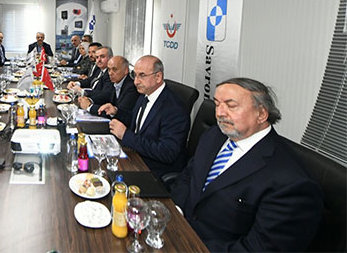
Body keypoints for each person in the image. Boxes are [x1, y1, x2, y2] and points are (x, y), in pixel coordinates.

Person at [171, 78, 323, 252]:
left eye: (231, 106)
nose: (219, 113)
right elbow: (189, 175)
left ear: (261, 114)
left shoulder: (291, 182)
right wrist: (175, 213)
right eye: (217, 104)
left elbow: (260, 249)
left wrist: (188, 247)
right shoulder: (214, 135)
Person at [109, 55, 189, 178]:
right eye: (134, 75)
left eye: (142, 75)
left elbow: (167, 152)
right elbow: (136, 121)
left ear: (158, 77)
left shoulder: (175, 109)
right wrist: (116, 112)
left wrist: (126, 135)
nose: (136, 82)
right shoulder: (145, 94)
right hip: (135, 155)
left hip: (153, 170)